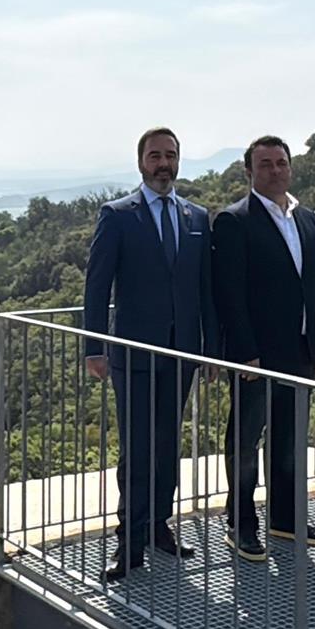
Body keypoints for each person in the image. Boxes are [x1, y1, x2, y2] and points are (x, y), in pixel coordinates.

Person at [83, 127, 218, 582]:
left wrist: (211, 352)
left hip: (182, 355)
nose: (164, 163)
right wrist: (94, 348)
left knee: (167, 446)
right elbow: (97, 286)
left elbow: (206, 292)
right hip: (133, 354)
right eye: (156, 156)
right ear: (141, 162)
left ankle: (160, 527)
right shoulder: (118, 215)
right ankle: (129, 544)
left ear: (180, 161)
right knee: (137, 449)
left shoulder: (196, 216)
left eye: (171, 156)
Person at [212, 136, 315, 560]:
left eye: (281, 163)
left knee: (288, 439)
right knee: (247, 439)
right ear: (249, 171)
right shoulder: (234, 221)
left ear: (291, 167)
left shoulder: (306, 219)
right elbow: (228, 295)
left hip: (301, 349)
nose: (274, 170)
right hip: (257, 354)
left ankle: (284, 518)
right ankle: (240, 521)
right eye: (264, 164)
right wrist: (244, 352)